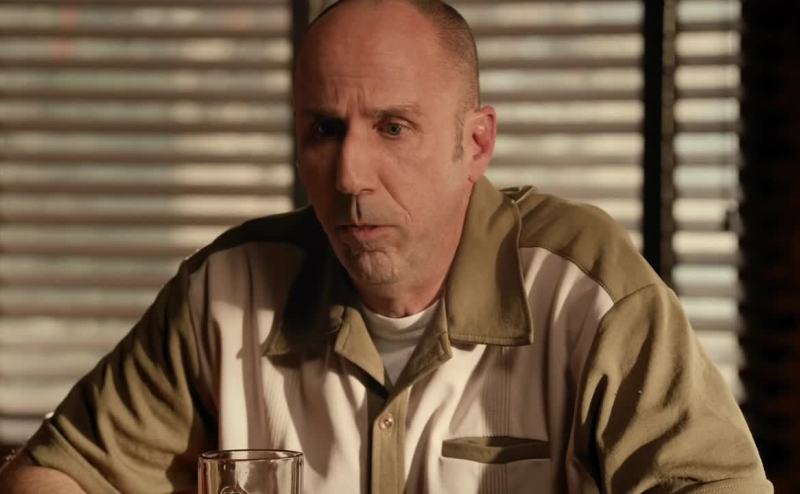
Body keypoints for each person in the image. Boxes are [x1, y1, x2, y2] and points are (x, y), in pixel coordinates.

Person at [0, 0, 772, 492]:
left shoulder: (586, 288)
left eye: (393, 128)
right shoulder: (227, 288)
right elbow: (51, 477)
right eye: (324, 130)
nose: (348, 175)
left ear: (476, 144)